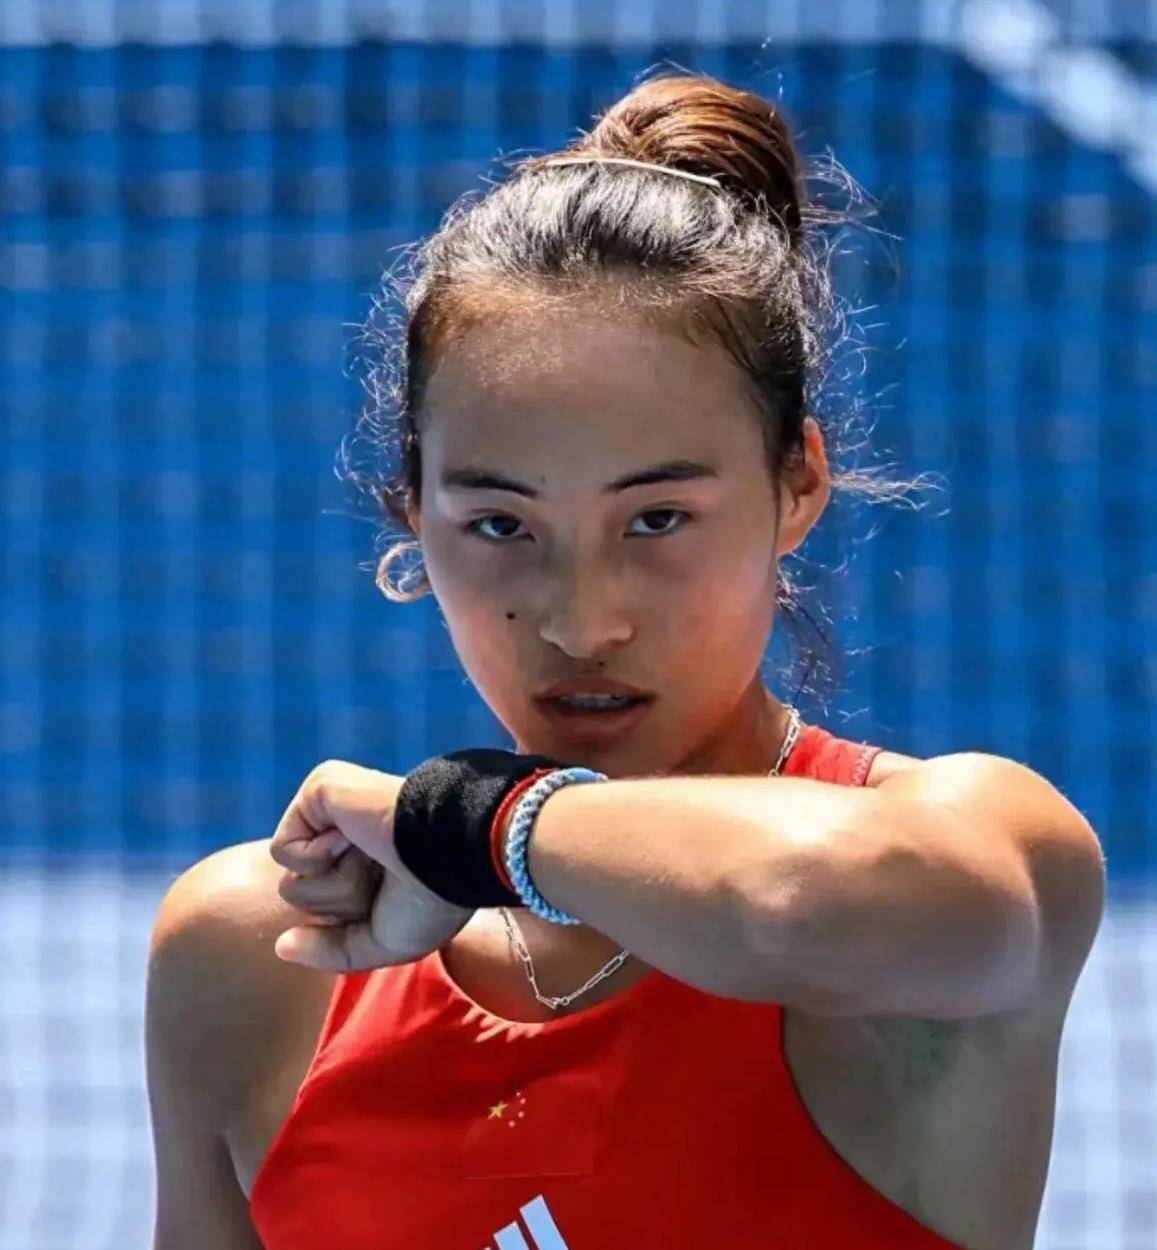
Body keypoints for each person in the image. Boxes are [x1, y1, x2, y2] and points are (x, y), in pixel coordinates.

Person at [145, 72, 1105, 1250]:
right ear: (410, 513)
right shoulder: (261, 951)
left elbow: (789, 903)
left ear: (797, 483)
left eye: (655, 519)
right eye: (499, 524)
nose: (580, 621)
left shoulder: (969, 849)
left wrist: (481, 826)